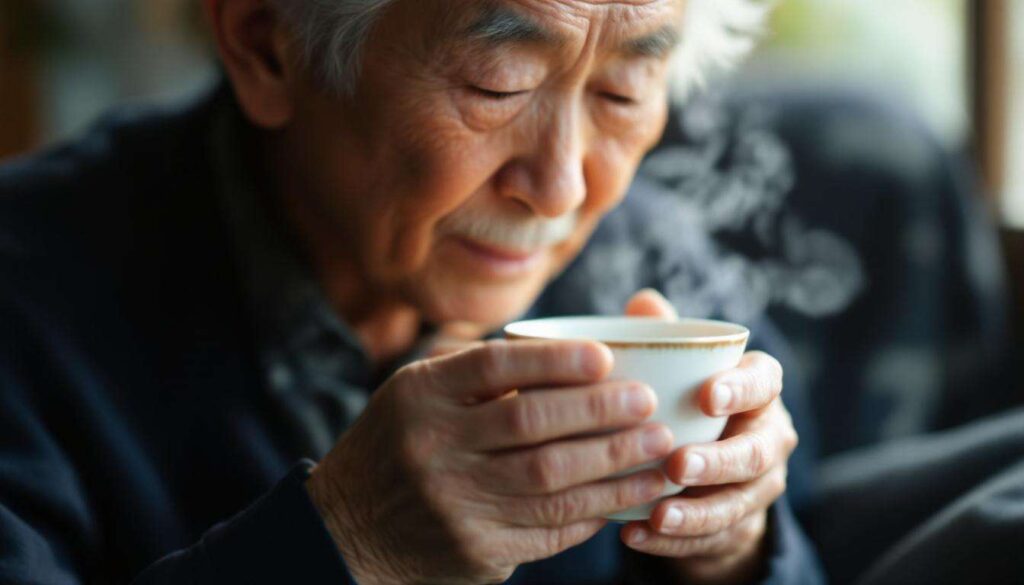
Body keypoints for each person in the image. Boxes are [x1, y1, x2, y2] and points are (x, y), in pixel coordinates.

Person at [0, 0, 822, 583]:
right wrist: (351, 541)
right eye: (497, 86)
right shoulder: (29, 300)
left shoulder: (653, 260)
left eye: (622, 95)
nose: (564, 188)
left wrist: (733, 550)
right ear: (265, 45)